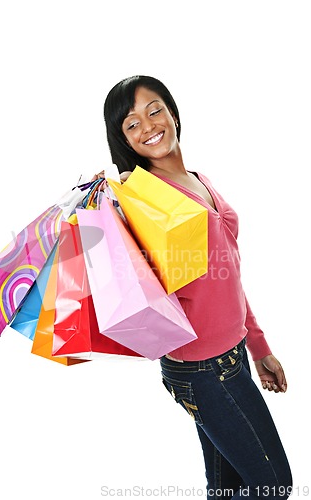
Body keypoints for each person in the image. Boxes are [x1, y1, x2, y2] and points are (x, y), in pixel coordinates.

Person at [101, 75, 292, 500]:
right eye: (131, 124)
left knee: (226, 489)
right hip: (201, 369)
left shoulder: (198, 178)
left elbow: (229, 275)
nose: (148, 126)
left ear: (172, 112)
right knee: (274, 485)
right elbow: (134, 285)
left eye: (155, 110)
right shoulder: (140, 198)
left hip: (234, 355)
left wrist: (258, 346)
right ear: (122, 139)